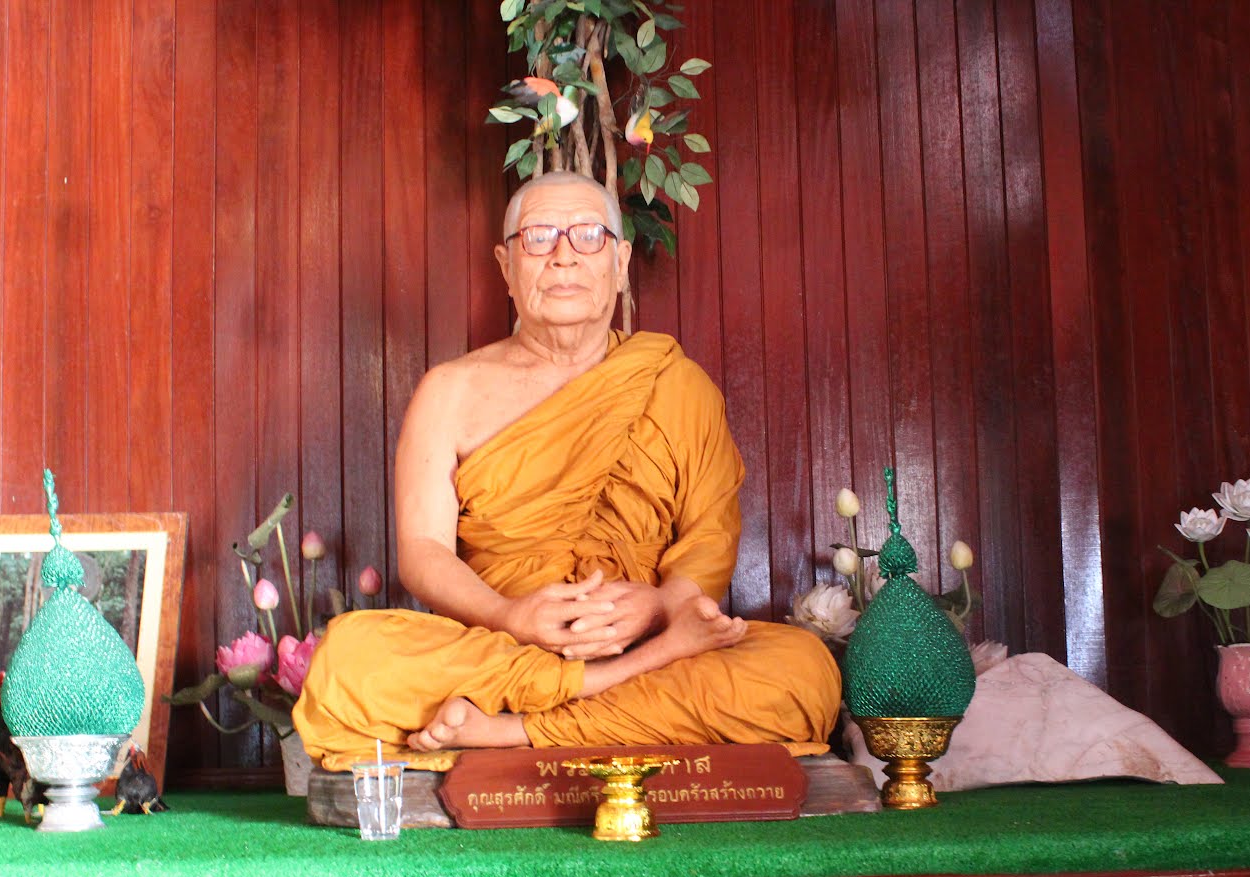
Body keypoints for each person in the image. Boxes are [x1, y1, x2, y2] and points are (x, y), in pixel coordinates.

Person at [293, 170, 840, 767]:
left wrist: (659, 608)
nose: (563, 256)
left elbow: (709, 540)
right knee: (349, 660)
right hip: (503, 651)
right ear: (506, 266)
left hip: (648, 641)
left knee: (804, 671)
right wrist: (511, 616)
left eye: (588, 235)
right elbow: (424, 550)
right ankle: (586, 700)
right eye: (539, 237)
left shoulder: (676, 384)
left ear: (620, 262)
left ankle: (510, 731)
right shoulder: (449, 391)